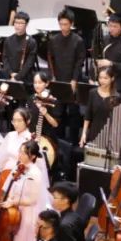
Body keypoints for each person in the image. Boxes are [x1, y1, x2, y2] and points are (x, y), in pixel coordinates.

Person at [0, 141, 46, 241]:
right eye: (19, 152)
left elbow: (32, 200)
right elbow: (8, 187)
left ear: (33, 156)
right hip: (14, 210)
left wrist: (13, 202)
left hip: (27, 213)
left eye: (24, 153)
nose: (20, 155)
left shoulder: (35, 174)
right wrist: (8, 198)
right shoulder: (18, 167)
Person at [47, 9, 85, 143]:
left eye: (66, 24)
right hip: (58, 79)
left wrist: (74, 79)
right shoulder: (54, 40)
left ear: (71, 24)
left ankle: (73, 141)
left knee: (73, 111)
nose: (63, 27)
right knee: (58, 111)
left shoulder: (78, 40)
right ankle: (59, 140)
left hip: (72, 80)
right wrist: (52, 76)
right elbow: (50, 59)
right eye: (61, 24)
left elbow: (79, 62)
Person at [80, 67, 117, 148]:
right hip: (94, 132)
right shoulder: (92, 93)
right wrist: (84, 133)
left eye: (105, 78)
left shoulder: (116, 96)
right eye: (100, 78)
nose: (102, 81)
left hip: (109, 134)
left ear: (112, 79)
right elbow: (87, 115)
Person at [98, 14, 121, 96]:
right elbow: (96, 58)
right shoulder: (104, 39)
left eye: (115, 26)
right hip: (102, 78)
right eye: (110, 26)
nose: (112, 29)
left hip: (117, 80)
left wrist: (111, 64)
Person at [1, 11, 37, 83]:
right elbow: (5, 58)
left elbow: (29, 63)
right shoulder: (8, 40)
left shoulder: (31, 42)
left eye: (21, 23)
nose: (17, 25)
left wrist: (17, 77)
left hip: (25, 78)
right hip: (9, 76)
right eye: (16, 22)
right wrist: (11, 73)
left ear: (26, 24)